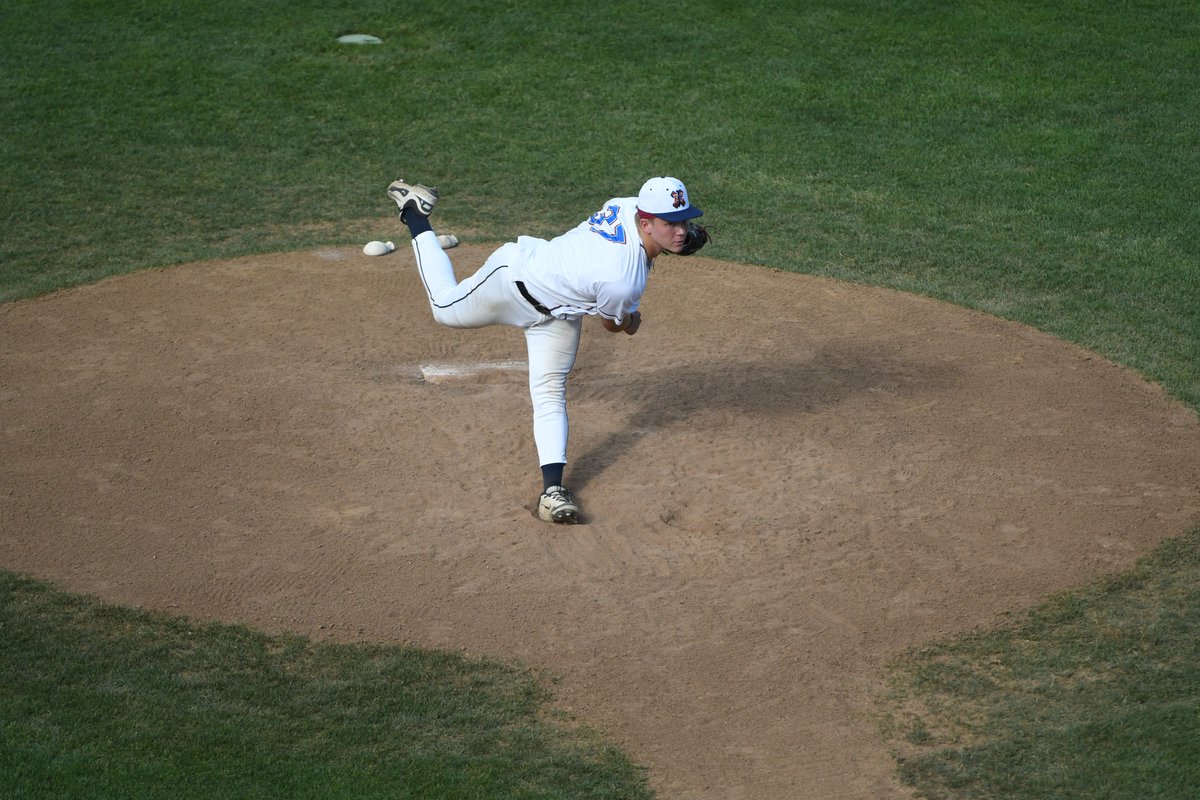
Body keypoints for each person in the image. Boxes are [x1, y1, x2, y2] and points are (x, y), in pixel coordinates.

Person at [387, 176, 706, 524]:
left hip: (560, 313)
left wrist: (669, 239)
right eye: (671, 224)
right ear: (646, 222)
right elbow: (612, 324)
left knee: (551, 392)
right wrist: (632, 321)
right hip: (513, 281)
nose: (681, 231)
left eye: (684, 221)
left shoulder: (628, 204)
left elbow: (646, 227)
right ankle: (415, 213)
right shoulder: (623, 280)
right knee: (444, 308)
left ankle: (552, 492)